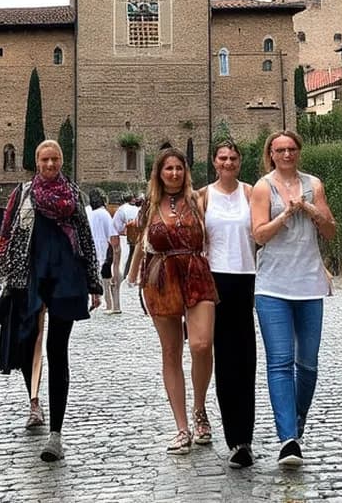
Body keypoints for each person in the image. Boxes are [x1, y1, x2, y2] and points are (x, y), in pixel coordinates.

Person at [0, 140, 103, 462]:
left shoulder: (72, 194)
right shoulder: (24, 194)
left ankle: (56, 433)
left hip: (66, 278)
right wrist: (5, 265)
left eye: (55, 159)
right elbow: (7, 233)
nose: (50, 164)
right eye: (45, 159)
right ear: (37, 162)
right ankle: (33, 400)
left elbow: (85, 238)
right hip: (30, 279)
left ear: (61, 161)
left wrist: (94, 283)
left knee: (57, 350)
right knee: (27, 342)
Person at [249, 130, 335, 468]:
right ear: (270, 154)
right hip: (272, 286)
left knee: (308, 365)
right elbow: (259, 235)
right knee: (280, 361)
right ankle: (288, 439)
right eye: (279, 150)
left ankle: (296, 419)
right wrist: (284, 215)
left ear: (299, 152)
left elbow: (330, 231)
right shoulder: (262, 187)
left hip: (309, 283)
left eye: (291, 149)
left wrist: (312, 211)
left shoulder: (314, 184)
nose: (286, 155)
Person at [126, 148, 217, 455]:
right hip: (161, 278)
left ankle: (200, 408)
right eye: (169, 169)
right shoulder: (149, 206)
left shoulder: (199, 200)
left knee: (202, 344)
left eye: (179, 168)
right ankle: (182, 426)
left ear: (185, 171)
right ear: (159, 173)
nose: (175, 173)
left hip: (195, 272)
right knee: (171, 352)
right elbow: (141, 242)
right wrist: (132, 276)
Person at [197, 140, 257, 468]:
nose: (229, 162)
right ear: (214, 161)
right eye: (223, 157)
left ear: (240, 161)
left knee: (246, 358)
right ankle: (233, 438)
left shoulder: (252, 193)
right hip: (214, 279)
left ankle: (245, 436)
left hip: (246, 276)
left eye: (233, 157)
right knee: (223, 357)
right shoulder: (203, 196)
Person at [85, 188, 120, 314]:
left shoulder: (88, 211)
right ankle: (112, 304)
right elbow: (112, 234)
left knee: (97, 275)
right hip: (105, 248)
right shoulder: (104, 213)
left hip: (92, 248)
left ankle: (100, 300)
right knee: (108, 276)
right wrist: (116, 250)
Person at [110, 193, 142, 312]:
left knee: (128, 259)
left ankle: (127, 277)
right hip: (138, 238)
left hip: (127, 239)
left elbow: (115, 227)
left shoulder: (122, 210)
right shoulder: (138, 209)